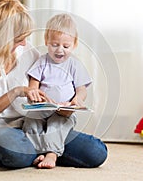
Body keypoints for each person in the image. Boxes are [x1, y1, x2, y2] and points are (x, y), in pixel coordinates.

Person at [0, 0, 108, 169]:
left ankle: (45, 152)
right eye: (19, 39)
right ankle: (46, 151)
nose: (25, 43)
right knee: (17, 150)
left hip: (35, 128)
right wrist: (15, 92)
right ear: (0, 38)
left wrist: (63, 107)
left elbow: (45, 94)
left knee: (96, 151)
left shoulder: (27, 51)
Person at [23, 14, 92, 168]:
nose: (60, 50)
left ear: (74, 44)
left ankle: (52, 154)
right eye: (54, 44)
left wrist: (77, 100)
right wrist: (34, 95)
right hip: (42, 108)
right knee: (30, 122)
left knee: (56, 125)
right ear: (46, 41)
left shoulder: (74, 65)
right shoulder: (41, 61)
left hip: (63, 112)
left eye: (65, 46)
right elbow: (33, 84)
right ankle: (37, 152)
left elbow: (81, 89)